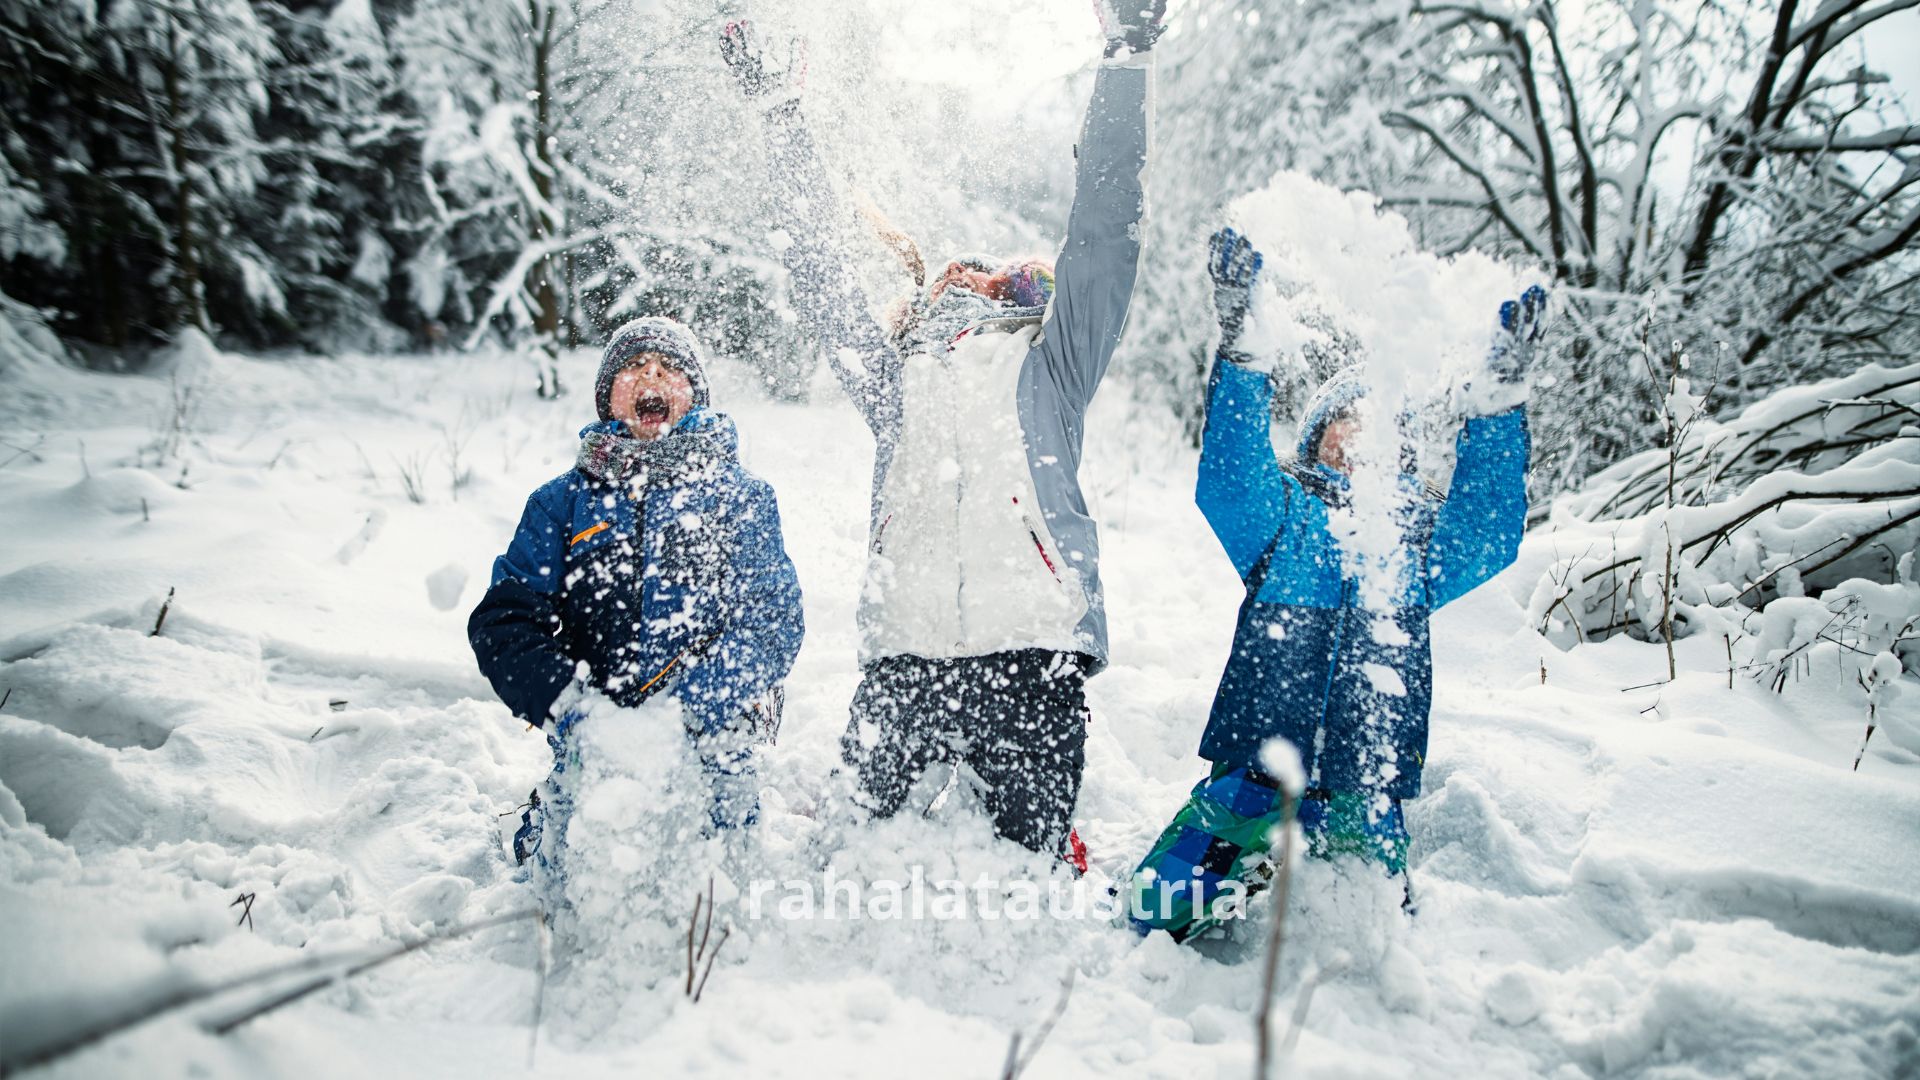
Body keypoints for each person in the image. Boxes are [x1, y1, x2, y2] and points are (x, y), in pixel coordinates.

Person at [717, 3, 1164, 862]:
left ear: (1023, 294)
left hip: (1032, 649)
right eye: (954, 271)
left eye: (994, 274)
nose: (969, 276)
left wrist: (1126, 57)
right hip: (906, 653)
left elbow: (1104, 230)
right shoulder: (894, 381)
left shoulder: (1052, 365)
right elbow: (819, 272)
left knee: (1022, 879)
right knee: (849, 862)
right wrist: (779, 116)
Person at [1126, 228, 1546, 940]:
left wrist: (1499, 405)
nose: (1358, 435)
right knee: (1154, 911)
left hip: (1366, 776)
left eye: (1377, 425)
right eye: (1343, 422)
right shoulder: (1284, 515)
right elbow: (1230, 480)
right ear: (1317, 437)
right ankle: (1235, 877)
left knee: (1368, 939)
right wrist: (1244, 358)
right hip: (1258, 764)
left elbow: (1488, 530)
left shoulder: (1418, 541)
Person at [468, 317, 805, 901]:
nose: (652, 374)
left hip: (713, 733)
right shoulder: (561, 503)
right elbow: (505, 622)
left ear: (695, 396)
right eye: (633, 366)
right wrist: (571, 707)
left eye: (670, 368)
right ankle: (547, 821)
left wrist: (697, 704)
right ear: (607, 397)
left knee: (719, 888)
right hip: (596, 736)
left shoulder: (741, 497)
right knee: (568, 887)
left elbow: (773, 619)